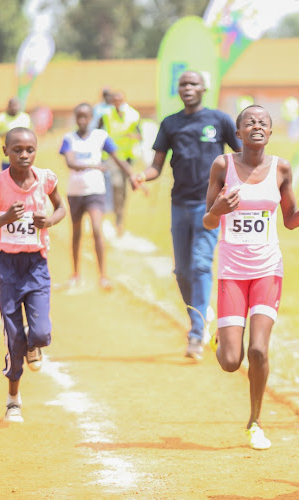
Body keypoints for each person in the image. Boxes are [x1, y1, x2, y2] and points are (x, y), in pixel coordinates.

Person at [202, 104, 299, 449]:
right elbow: (207, 221)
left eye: (263, 122)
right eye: (250, 121)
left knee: (258, 350)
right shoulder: (223, 165)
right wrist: (217, 210)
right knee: (232, 362)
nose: (257, 125)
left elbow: (290, 220)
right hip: (232, 272)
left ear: (271, 133)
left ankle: (255, 421)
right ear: (239, 132)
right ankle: (218, 336)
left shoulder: (281, 168)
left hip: (267, 270)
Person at [134, 70, 242, 360]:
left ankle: (196, 334)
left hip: (211, 205)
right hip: (180, 204)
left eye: (193, 84)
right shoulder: (171, 124)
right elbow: (157, 165)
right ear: (178, 90)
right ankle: (201, 311)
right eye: (182, 84)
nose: (187, 88)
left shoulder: (219, 120)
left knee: (200, 265)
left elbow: (241, 156)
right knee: (182, 270)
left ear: (204, 88)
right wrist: (143, 176)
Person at [0, 127, 66, 423]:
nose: (24, 155)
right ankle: (13, 400)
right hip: (8, 266)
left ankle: (35, 345)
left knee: (39, 333)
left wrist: (48, 221)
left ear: (36, 151)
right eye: (17, 150)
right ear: (5, 152)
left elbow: (62, 208)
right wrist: (4, 219)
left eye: (29, 149)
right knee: (14, 339)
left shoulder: (46, 180)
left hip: (36, 263)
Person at [60, 103, 138, 289]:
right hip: (75, 192)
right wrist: (95, 166)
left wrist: (133, 176)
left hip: (95, 191)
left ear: (92, 117)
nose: (81, 120)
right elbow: (70, 163)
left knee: (96, 228)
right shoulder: (69, 138)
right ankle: (76, 274)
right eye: (78, 116)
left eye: (85, 116)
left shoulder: (100, 136)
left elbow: (118, 159)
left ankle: (103, 276)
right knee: (76, 233)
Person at [100, 91, 141, 236]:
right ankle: (111, 216)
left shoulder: (133, 115)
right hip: (112, 157)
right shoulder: (106, 115)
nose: (117, 103)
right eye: (115, 101)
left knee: (123, 190)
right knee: (116, 185)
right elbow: (98, 132)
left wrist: (133, 136)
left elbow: (139, 134)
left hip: (127, 157)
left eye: (120, 100)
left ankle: (119, 219)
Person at [0, 97, 32, 171]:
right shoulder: (1, 118)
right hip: (7, 157)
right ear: (8, 106)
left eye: (16, 106)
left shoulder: (25, 117)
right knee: (7, 180)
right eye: (12, 106)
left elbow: (30, 135)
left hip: (23, 156)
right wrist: (3, 134)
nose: (14, 108)